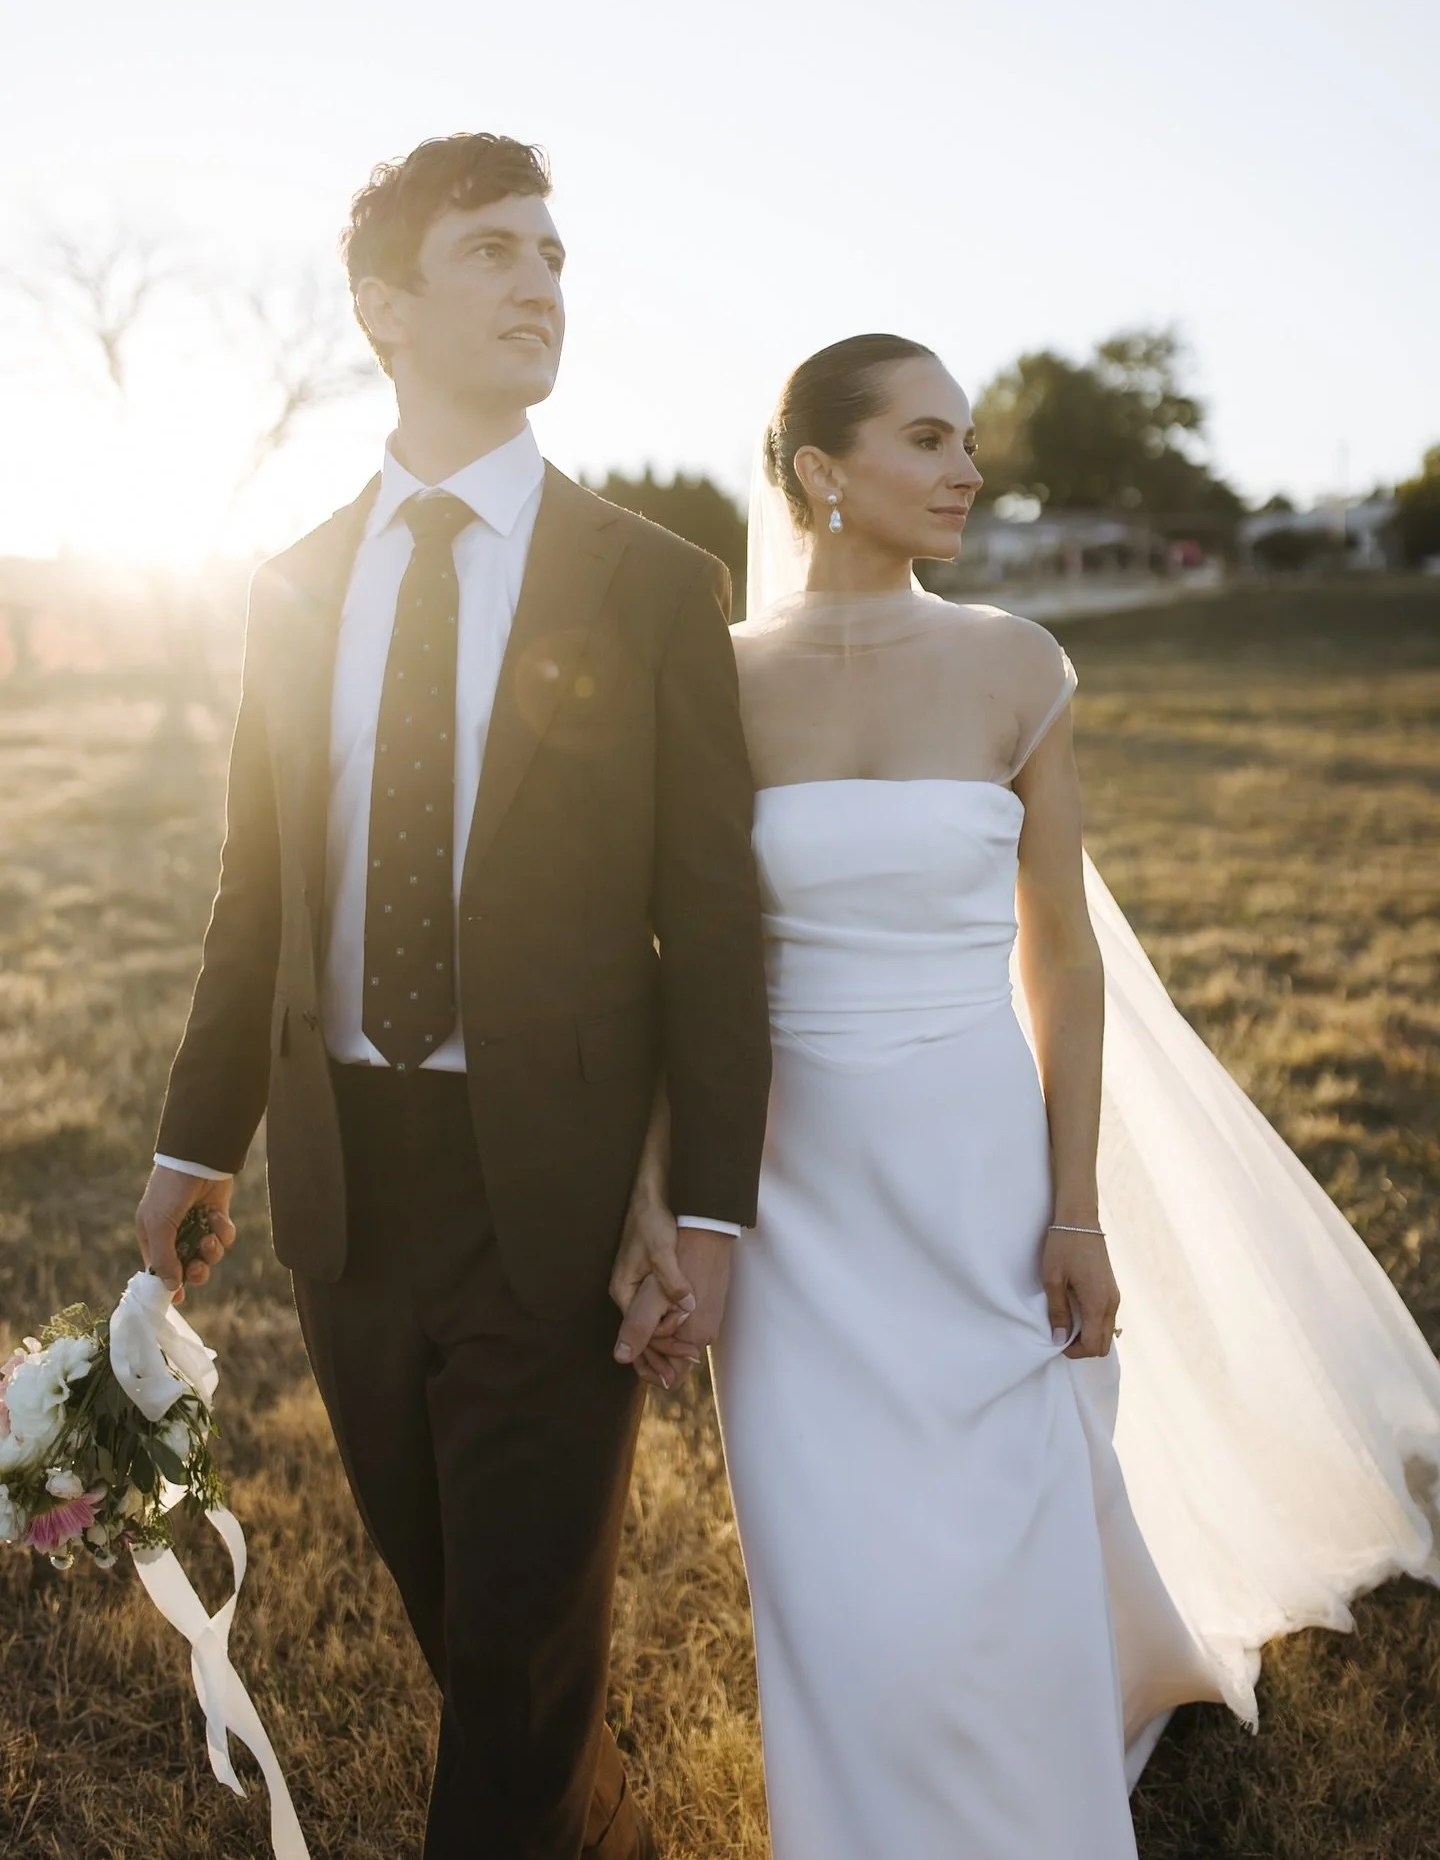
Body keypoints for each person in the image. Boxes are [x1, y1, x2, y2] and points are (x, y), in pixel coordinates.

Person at [616, 334, 1440, 1858]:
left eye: (968, 441)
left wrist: (1078, 1209)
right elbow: (683, 976)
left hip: (975, 1160)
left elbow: (1060, 955)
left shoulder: (1014, 662)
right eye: (930, 442)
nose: (970, 473)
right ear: (821, 473)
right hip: (788, 1181)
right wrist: (667, 1192)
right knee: (829, 1546)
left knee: (1004, 1512)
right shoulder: (713, 687)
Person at [133, 132, 772, 1860]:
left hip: (553, 1195)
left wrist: (706, 1206)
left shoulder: (649, 585)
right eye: (494, 252)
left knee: (513, 1650)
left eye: (554, 257)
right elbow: (254, 898)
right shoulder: (293, 588)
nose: (541, 285)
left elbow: (715, 927)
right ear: (383, 309)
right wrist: (198, 1144)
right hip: (350, 1193)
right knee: (476, 1639)